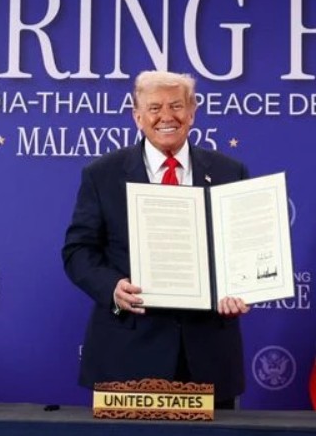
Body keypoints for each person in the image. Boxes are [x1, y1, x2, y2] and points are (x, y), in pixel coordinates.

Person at [62, 70, 250, 409]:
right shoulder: (102, 175)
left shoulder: (229, 172)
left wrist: (243, 285)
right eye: (154, 107)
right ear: (137, 116)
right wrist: (113, 288)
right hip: (127, 353)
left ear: (192, 112)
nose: (167, 116)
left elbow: (243, 249)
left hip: (208, 356)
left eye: (177, 105)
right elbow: (78, 251)